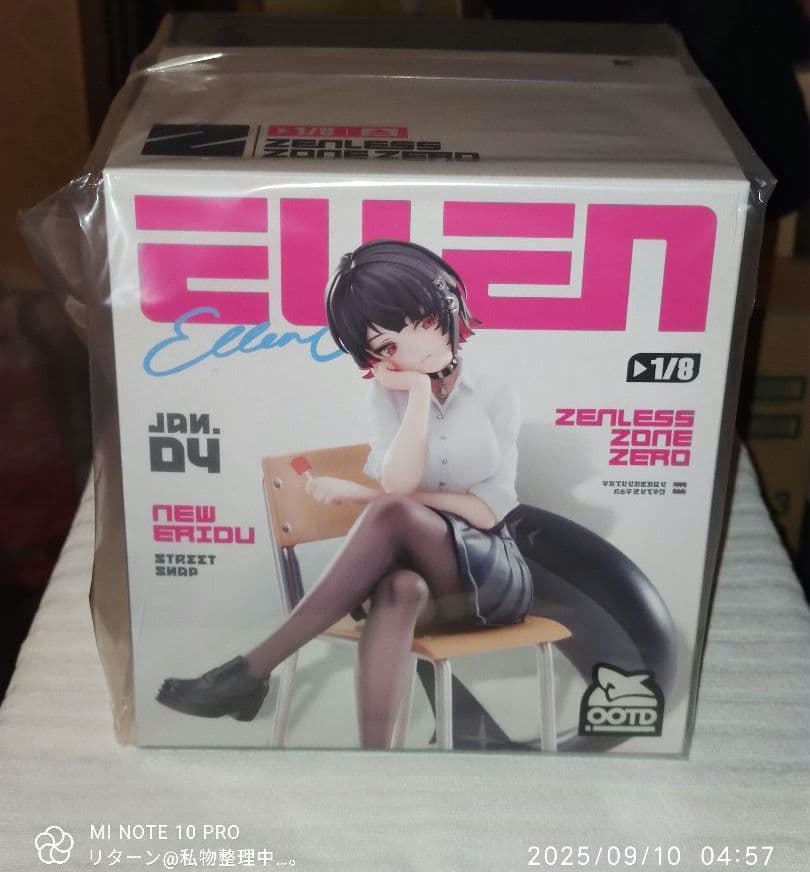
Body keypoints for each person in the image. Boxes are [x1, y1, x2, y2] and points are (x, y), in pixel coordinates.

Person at [157, 240, 533, 748]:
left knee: (393, 511)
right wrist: (417, 394)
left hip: (490, 577)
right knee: (399, 589)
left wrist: (364, 499)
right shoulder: (387, 395)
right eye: (388, 347)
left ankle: (250, 671)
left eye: (421, 320)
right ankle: (374, 761)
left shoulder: (495, 387)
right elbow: (398, 483)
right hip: (428, 589)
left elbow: (486, 512)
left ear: (444, 306)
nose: (412, 348)